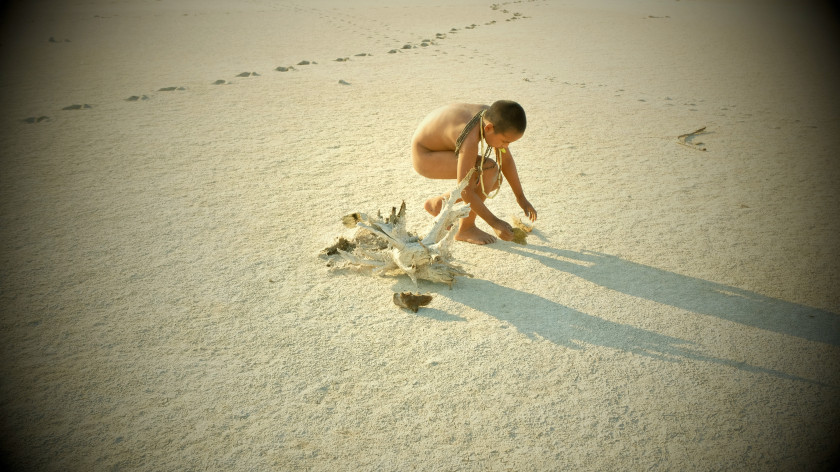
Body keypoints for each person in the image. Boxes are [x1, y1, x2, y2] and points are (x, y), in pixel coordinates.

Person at [411, 100, 537, 245]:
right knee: (489, 169)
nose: (506, 146)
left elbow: (506, 160)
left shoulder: (491, 117)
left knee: (495, 179)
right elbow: (464, 189)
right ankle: (466, 228)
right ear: (489, 128)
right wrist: (495, 223)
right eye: (505, 141)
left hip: (441, 148)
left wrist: (520, 197)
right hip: (425, 156)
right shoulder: (470, 134)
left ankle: (438, 205)